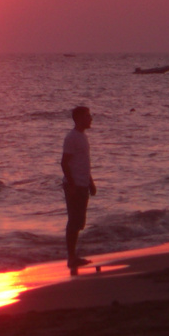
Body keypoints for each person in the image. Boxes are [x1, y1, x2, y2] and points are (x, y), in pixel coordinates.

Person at [61, 106, 97, 274]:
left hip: (83, 184)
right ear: (79, 118)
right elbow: (64, 163)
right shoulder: (72, 137)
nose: (90, 118)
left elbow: (83, 163)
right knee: (74, 221)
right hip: (74, 186)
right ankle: (71, 257)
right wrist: (72, 185)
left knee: (79, 222)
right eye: (87, 116)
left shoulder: (83, 137)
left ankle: (74, 256)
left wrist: (90, 182)